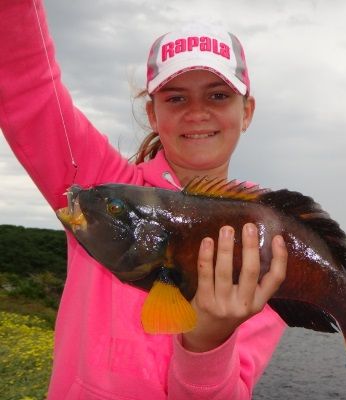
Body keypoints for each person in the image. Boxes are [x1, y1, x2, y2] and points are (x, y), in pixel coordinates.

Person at [0, 1, 288, 399]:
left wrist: (207, 343)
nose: (197, 112)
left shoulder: (264, 243)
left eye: (218, 95)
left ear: (247, 112)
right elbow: (25, 83)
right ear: (152, 114)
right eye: (176, 98)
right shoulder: (104, 194)